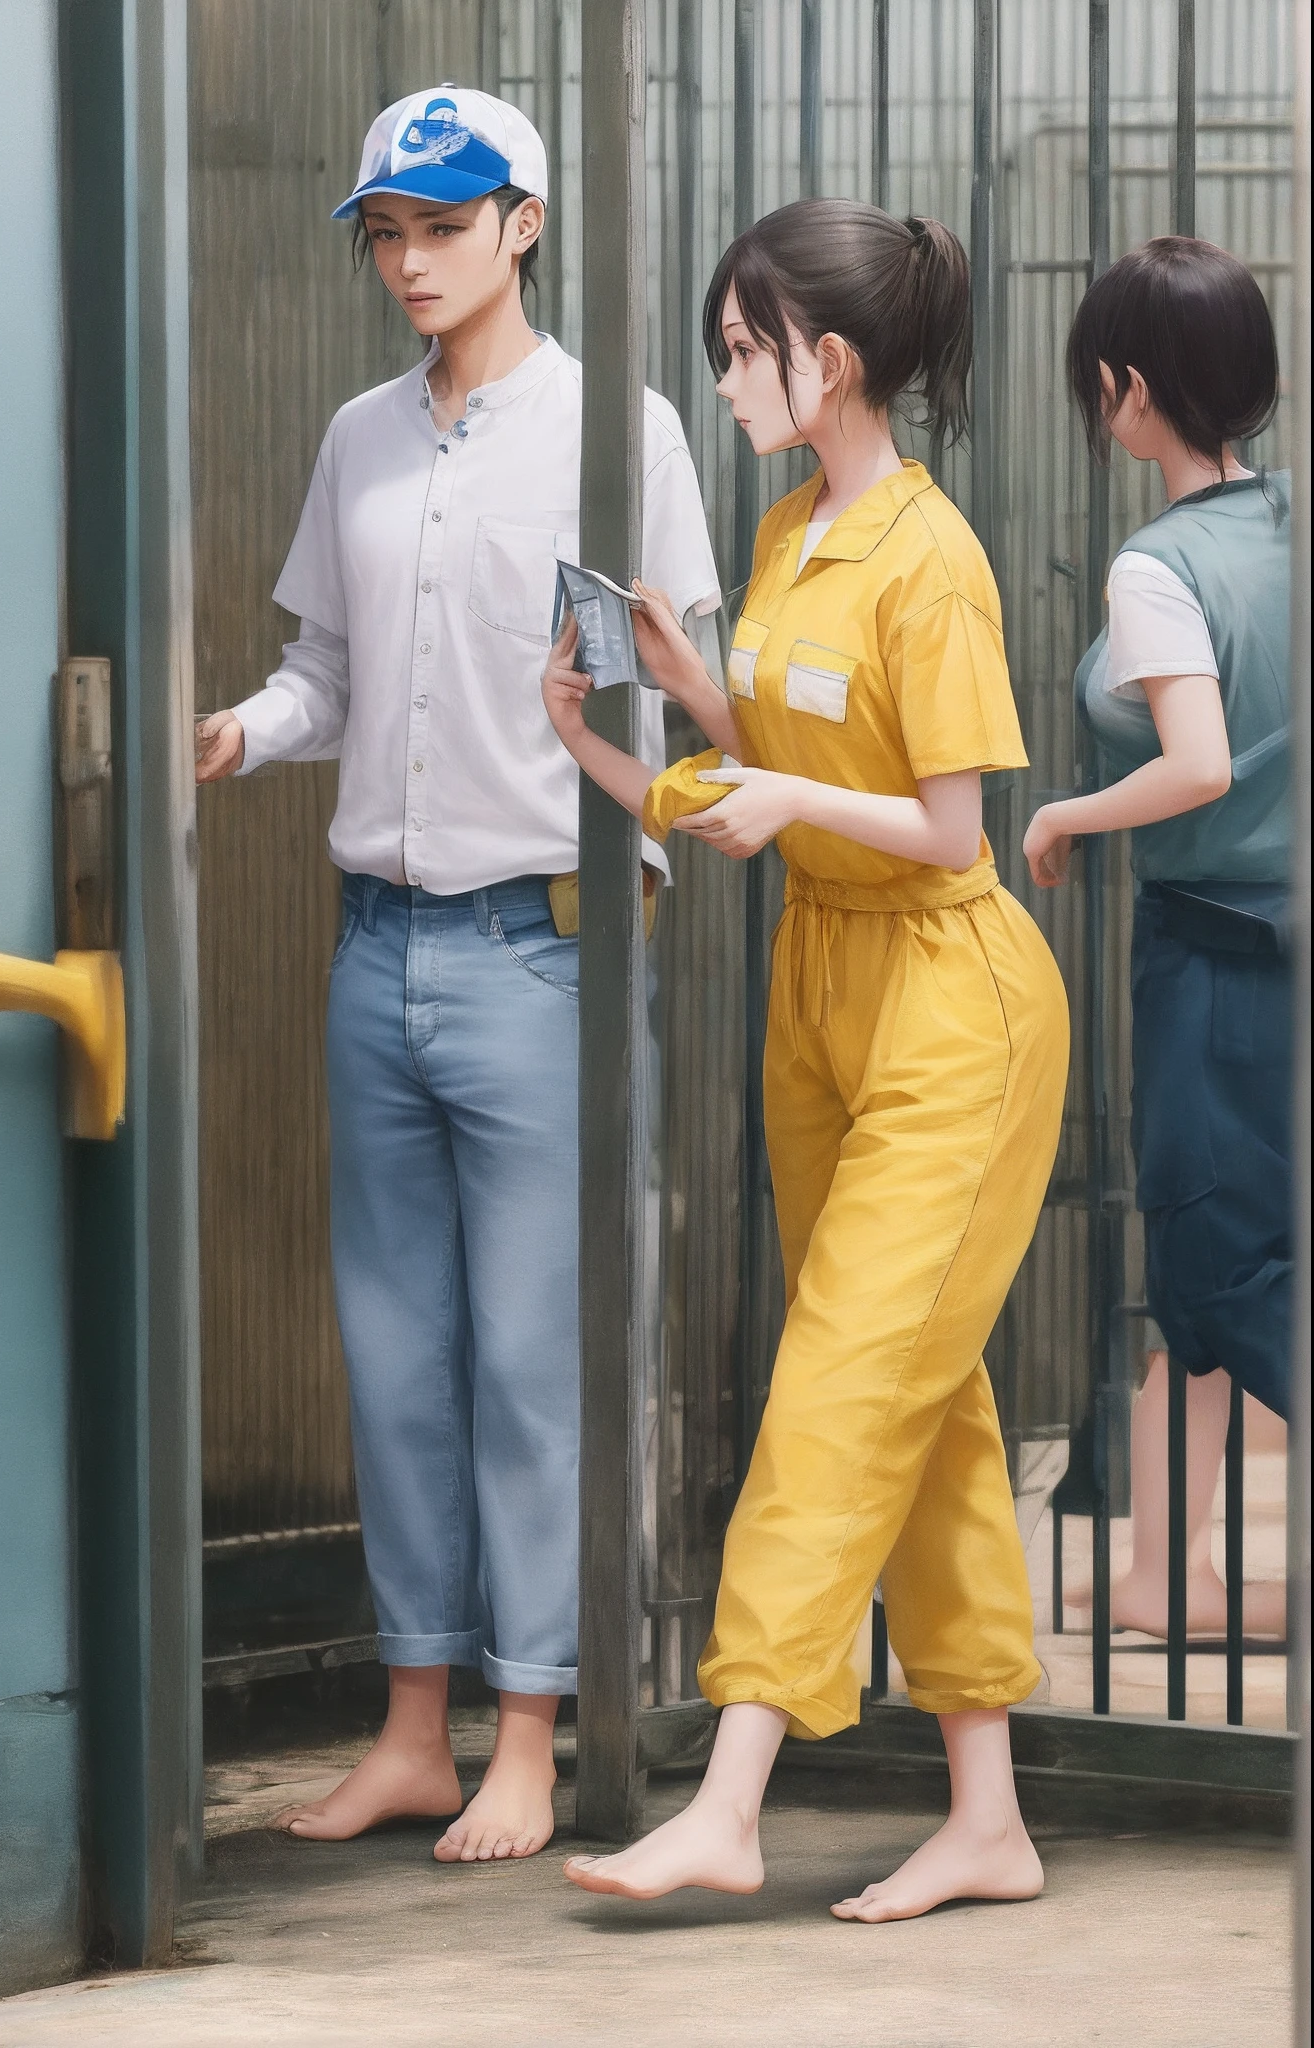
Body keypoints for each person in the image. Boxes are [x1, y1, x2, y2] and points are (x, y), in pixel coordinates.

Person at [195, 86, 720, 1860]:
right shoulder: (357, 436)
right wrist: (245, 730)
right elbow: (325, 673)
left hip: (540, 946)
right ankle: (414, 1725)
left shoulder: (611, 431)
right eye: (387, 233)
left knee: (530, 1362)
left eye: (441, 224)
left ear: (527, 223)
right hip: (378, 951)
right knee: (396, 1352)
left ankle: (527, 1729)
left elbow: (668, 682)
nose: (410, 260)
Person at [542, 199, 1069, 1920]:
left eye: (740, 344)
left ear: (824, 358)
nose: (725, 370)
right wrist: (664, 713)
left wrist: (774, 785)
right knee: (928, 1402)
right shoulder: (786, 534)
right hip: (820, 987)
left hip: (951, 1002)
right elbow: (765, 787)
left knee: (843, 1380)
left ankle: (735, 1788)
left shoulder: (937, 559)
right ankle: (986, 1817)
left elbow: (945, 827)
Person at [1024, 235, 1291, 1636]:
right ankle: (1157, 1576)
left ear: (1126, 388)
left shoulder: (1156, 563)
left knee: (1212, 1266)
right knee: (1217, 1276)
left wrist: (1069, 815)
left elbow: (1194, 765)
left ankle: (1159, 1577)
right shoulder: (1293, 520)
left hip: (1213, 955)